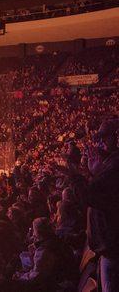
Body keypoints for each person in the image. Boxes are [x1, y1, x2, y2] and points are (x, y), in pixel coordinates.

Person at [74, 119, 119, 292]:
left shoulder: (114, 165)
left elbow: (93, 197)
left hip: (112, 249)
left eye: (105, 137)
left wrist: (77, 175)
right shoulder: (110, 162)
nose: (100, 142)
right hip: (107, 249)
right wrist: (92, 173)